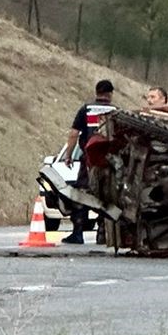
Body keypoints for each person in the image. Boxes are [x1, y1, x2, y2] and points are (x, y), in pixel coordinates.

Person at [58, 79, 115, 244]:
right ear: (110, 94)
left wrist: (68, 155)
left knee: (81, 194)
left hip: (89, 160)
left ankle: (77, 233)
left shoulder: (86, 109)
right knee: (108, 195)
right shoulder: (116, 111)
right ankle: (103, 233)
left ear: (96, 92)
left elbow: (74, 134)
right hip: (110, 162)